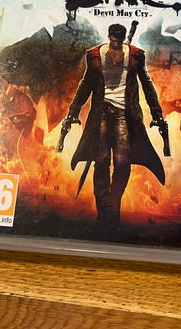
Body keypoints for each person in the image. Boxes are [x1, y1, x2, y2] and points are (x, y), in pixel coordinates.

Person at [66, 23, 167, 232]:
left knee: (122, 162)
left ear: (122, 40)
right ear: (109, 37)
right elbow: (86, 85)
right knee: (101, 160)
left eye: (119, 42)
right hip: (101, 112)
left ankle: (113, 204)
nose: (115, 45)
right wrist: (74, 110)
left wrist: (156, 112)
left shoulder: (136, 56)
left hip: (124, 114)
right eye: (113, 41)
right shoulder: (94, 56)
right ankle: (104, 213)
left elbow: (147, 84)